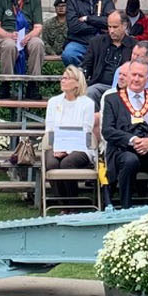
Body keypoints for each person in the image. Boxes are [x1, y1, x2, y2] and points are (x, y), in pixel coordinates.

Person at [103, 60, 148, 208]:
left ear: (147, 79)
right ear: (127, 76)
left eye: (140, 76)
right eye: (133, 74)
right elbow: (107, 130)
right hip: (123, 150)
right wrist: (133, 140)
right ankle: (125, 207)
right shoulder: (112, 99)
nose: (136, 79)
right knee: (130, 160)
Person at [0, 0, 47, 98]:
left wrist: (29, 36)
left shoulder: (35, 0)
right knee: (9, 45)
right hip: (4, 36)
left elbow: (38, 27)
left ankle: (33, 85)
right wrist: (8, 35)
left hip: (27, 36)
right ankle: (6, 83)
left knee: (37, 43)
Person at [43, 67, 99, 198]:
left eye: (67, 78)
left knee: (67, 162)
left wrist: (67, 150)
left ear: (77, 83)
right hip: (57, 146)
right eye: (62, 78)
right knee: (52, 163)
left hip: (80, 148)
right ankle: (62, 203)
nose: (63, 81)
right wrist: (56, 148)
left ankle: (72, 201)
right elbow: (49, 128)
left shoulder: (87, 103)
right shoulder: (53, 102)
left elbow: (86, 130)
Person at [61, 0, 115, 71]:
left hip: (101, 42)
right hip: (78, 41)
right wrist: (98, 25)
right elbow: (74, 26)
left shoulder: (106, 1)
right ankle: (81, 76)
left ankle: (93, 77)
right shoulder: (72, 1)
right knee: (68, 54)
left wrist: (88, 19)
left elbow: (110, 21)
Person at [83, 11, 136, 98]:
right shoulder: (96, 42)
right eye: (109, 27)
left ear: (125, 26)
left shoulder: (134, 45)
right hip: (99, 85)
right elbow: (86, 65)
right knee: (90, 92)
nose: (111, 31)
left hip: (124, 87)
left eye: (115, 27)